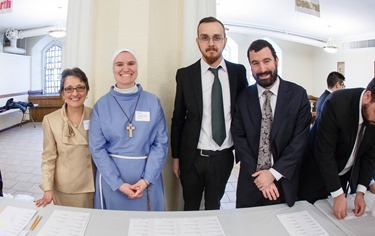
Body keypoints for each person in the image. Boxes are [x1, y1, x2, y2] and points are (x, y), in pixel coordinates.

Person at [171, 16, 248, 210]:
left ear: (225, 41)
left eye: (216, 37)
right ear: (197, 41)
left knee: (214, 205)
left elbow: (246, 114)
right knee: (190, 205)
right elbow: (178, 118)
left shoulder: (238, 73)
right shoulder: (185, 75)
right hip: (192, 157)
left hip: (223, 157)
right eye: (205, 37)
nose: (211, 43)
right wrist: (176, 156)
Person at [232, 39, 311, 208]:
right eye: (255, 63)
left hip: (283, 183)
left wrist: (272, 175)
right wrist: (261, 177)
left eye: (266, 61)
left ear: (276, 61)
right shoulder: (243, 97)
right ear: (250, 66)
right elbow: (239, 137)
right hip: (251, 183)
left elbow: (299, 142)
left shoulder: (298, 95)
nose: (262, 69)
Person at [89, 48, 168, 211]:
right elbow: (97, 148)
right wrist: (118, 183)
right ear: (113, 69)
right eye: (119, 64)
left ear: (137, 68)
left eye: (131, 63)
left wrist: (146, 180)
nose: (126, 68)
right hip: (112, 181)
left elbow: (161, 144)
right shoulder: (101, 106)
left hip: (147, 179)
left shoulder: (153, 102)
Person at [299, 77, 375, 219]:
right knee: (311, 219)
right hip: (316, 173)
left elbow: (369, 156)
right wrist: (338, 194)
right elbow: (324, 153)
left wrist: (360, 192)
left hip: (343, 175)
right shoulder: (336, 103)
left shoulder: (372, 115)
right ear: (368, 96)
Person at [35, 67, 95, 208]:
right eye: (68, 89)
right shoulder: (50, 120)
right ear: (62, 94)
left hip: (92, 184)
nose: (75, 93)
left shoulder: (96, 115)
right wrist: (48, 188)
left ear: (87, 91)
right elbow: (48, 158)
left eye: (80, 88)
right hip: (65, 189)